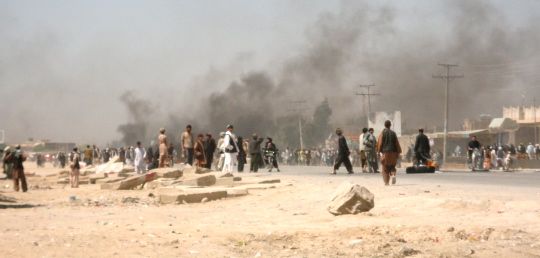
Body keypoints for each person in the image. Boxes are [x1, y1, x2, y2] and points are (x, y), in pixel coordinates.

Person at [377, 120, 402, 185]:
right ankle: (393, 175)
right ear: (390, 125)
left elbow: (380, 143)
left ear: (385, 125)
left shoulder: (382, 133)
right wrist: (399, 151)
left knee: (385, 168)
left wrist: (378, 151)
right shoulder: (393, 133)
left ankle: (387, 182)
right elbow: (396, 143)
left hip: (385, 153)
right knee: (392, 166)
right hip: (393, 152)